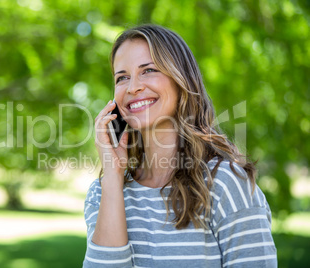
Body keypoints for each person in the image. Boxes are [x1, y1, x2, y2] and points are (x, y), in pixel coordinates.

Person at [83, 24, 277, 267]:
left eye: (149, 70)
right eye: (122, 77)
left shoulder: (226, 184)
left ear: (181, 80)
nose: (133, 87)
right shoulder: (102, 194)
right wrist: (112, 175)